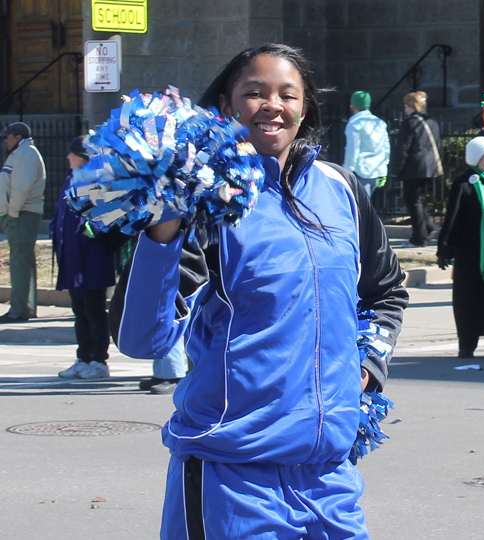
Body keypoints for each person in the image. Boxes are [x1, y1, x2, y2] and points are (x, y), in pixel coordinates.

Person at [110, 44, 408, 539]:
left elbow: (386, 292)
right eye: (254, 93)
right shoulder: (206, 203)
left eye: (287, 94)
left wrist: (363, 369)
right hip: (233, 475)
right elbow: (142, 339)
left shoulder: (342, 190)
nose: (273, 105)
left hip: (330, 476)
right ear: (226, 106)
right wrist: (163, 229)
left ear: (305, 107)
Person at [50, 136, 115, 379]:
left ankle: (99, 361)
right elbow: (60, 214)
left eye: (71, 153)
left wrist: (94, 230)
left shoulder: (99, 179)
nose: (68, 157)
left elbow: (107, 215)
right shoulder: (70, 180)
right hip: (72, 258)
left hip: (92, 257)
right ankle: (83, 357)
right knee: (79, 310)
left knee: (95, 311)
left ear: (84, 157)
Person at [437, 136, 484, 359]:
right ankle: (467, 344)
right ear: (475, 158)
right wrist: (444, 248)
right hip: (470, 255)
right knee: (468, 302)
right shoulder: (464, 184)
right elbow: (452, 219)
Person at [0, 122, 46, 323]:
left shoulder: (26, 154)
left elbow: (21, 187)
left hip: (22, 214)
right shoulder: (20, 154)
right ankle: (24, 307)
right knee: (22, 261)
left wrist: (13, 213)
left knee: (20, 262)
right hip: (20, 214)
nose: (5, 140)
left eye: (8, 136)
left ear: (18, 137)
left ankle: (19, 310)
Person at [391, 91, 442, 248]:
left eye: (406, 106)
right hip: (430, 166)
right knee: (417, 200)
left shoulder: (409, 122)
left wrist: (395, 169)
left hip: (414, 167)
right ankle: (428, 226)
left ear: (410, 106)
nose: (405, 109)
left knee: (412, 201)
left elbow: (403, 148)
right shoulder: (431, 121)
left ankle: (418, 237)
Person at [343, 90, 390, 198]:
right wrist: (384, 170)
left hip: (360, 171)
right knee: (369, 207)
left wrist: (347, 170)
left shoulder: (355, 124)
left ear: (352, 105)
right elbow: (386, 148)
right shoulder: (380, 123)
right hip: (377, 171)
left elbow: (353, 149)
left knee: (361, 207)